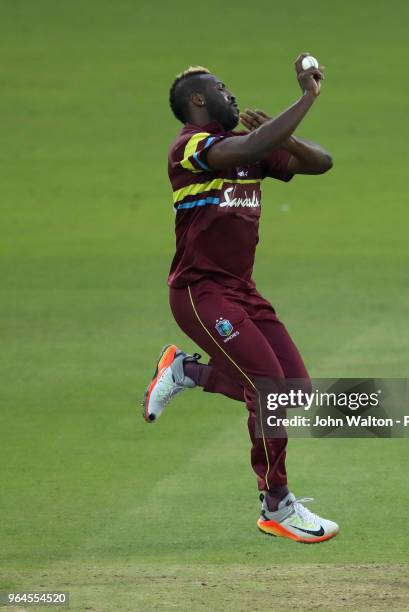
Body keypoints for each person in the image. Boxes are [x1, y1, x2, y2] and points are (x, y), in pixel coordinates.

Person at [142, 53, 339, 543]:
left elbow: (321, 163)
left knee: (293, 390)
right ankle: (276, 503)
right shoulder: (190, 149)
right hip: (199, 293)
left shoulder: (246, 148)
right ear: (197, 99)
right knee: (271, 387)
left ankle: (186, 371)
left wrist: (285, 132)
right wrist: (306, 98)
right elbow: (253, 144)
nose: (230, 95)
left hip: (241, 293)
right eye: (220, 88)